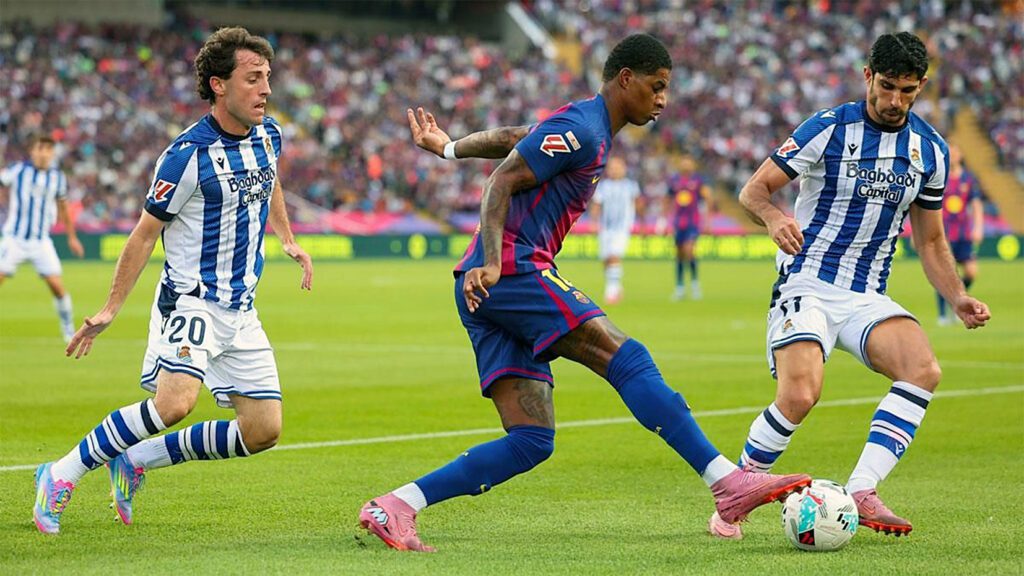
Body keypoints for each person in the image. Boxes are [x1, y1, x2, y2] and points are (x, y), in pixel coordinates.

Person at [358, 34, 811, 553]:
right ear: (626, 79)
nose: (663, 100)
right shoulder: (584, 129)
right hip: (511, 270)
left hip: (486, 286)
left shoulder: (583, 127)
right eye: (656, 87)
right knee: (626, 358)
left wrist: (449, 147)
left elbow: (517, 138)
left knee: (531, 440)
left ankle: (396, 505)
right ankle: (727, 483)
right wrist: (493, 260)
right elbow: (500, 182)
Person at [707, 32, 991, 540]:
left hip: (866, 295)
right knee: (800, 394)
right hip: (807, 280)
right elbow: (754, 190)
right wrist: (773, 218)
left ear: (921, 86)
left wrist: (957, 296)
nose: (895, 100)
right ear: (867, 76)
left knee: (923, 369)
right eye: (887, 86)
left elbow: (930, 240)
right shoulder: (828, 128)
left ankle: (862, 489)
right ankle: (738, 492)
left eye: (907, 90)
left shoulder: (930, 150)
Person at [32, 27, 313, 534]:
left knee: (263, 430)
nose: (266, 89)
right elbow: (144, 235)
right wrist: (110, 309)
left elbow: (270, 180)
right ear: (218, 85)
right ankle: (59, 473)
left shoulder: (268, 134)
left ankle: (137, 460)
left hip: (241, 308)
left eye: (267, 77)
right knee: (174, 403)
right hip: (191, 301)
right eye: (253, 78)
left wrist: (288, 238)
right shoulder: (188, 155)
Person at [0, 134, 84, 341]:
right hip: (14, 239)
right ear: (32, 151)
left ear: (53, 153)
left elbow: (63, 207)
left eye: (48, 149)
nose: (44, 153)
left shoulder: (57, 177)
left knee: (57, 286)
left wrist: (72, 237)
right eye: (40, 148)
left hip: (40, 241)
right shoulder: (18, 171)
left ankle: (68, 329)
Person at [936, 145, 983, 326]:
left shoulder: (968, 178)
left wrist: (978, 227)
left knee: (971, 271)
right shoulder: (940, 175)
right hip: (945, 232)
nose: (952, 156)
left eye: (955, 152)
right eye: (949, 152)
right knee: (946, 272)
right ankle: (942, 315)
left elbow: (976, 204)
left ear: (960, 155)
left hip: (963, 232)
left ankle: (957, 300)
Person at [591, 156, 641, 304]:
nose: (615, 170)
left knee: (614, 255)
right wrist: (593, 221)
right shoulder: (603, 186)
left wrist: (642, 222)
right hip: (606, 228)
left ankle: (611, 291)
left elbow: (638, 203)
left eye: (618, 167)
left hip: (622, 228)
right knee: (606, 259)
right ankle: (616, 286)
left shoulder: (631, 186)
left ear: (624, 169)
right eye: (612, 168)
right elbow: (597, 205)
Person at [662, 155, 711, 300]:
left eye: (689, 162)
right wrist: (664, 220)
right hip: (678, 222)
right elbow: (667, 199)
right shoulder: (674, 180)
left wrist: (707, 221)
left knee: (689, 251)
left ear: (693, 165)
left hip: (692, 222)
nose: (686, 165)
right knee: (679, 254)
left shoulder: (698, 180)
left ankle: (695, 285)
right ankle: (680, 287)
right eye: (684, 162)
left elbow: (707, 198)